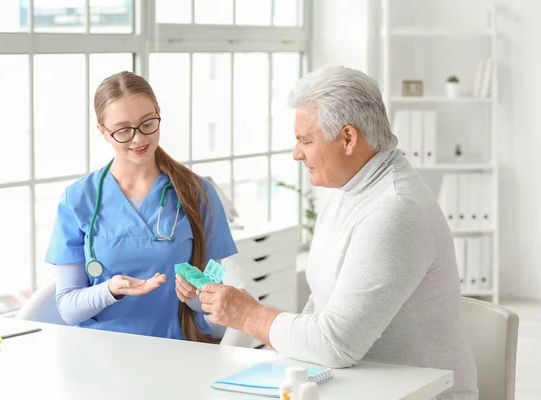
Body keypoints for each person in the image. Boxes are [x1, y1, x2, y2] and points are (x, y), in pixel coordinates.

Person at [197, 66, 479, 398]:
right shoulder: (350, 190)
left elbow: (333, 343)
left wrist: (249, 315)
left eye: (305, 140)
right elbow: (321, 306)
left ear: (348, 138)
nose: (296, 153)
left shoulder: (395, 211)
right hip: (359, 384)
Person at [45, 71, 238, 343]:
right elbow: (68, 308)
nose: (138, 139)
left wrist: (196, 297)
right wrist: (110, 289)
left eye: (147, 123)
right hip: (100, 352)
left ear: (159, 113)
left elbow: (214, 301)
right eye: (123, 130)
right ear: (103, 131)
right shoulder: (78, 199)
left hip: (179, 349)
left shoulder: (198, 194)